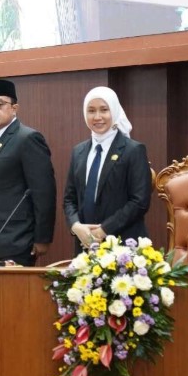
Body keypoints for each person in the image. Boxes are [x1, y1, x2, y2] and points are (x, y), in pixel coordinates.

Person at [0, 79, 56, 265]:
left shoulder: (28, 138)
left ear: (14, 108)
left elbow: (43, 193)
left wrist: (42, 238)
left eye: (0, 104)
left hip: (15, 240)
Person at [63, 86, 151, 254]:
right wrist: (76, 226)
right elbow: (69, 199)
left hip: (124, 246)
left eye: (104, 110)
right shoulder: (78, 152)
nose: (97, 117)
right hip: (86, 247)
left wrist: (104, 230)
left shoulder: (133, 150)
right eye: (91, 111)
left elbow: (140, 201)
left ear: (115, 111)